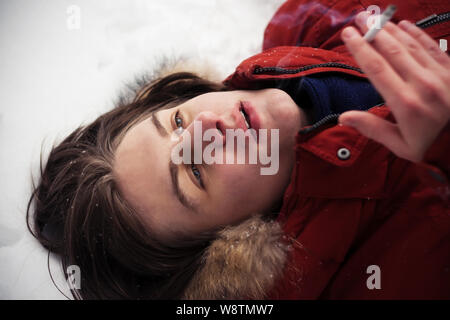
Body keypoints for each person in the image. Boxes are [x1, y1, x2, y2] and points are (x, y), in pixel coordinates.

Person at [27, 0, 450, 299]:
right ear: (229, 248)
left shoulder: (303, 22)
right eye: (193, 172)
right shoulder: (403, 270)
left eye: (176, 122)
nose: (207, 127)